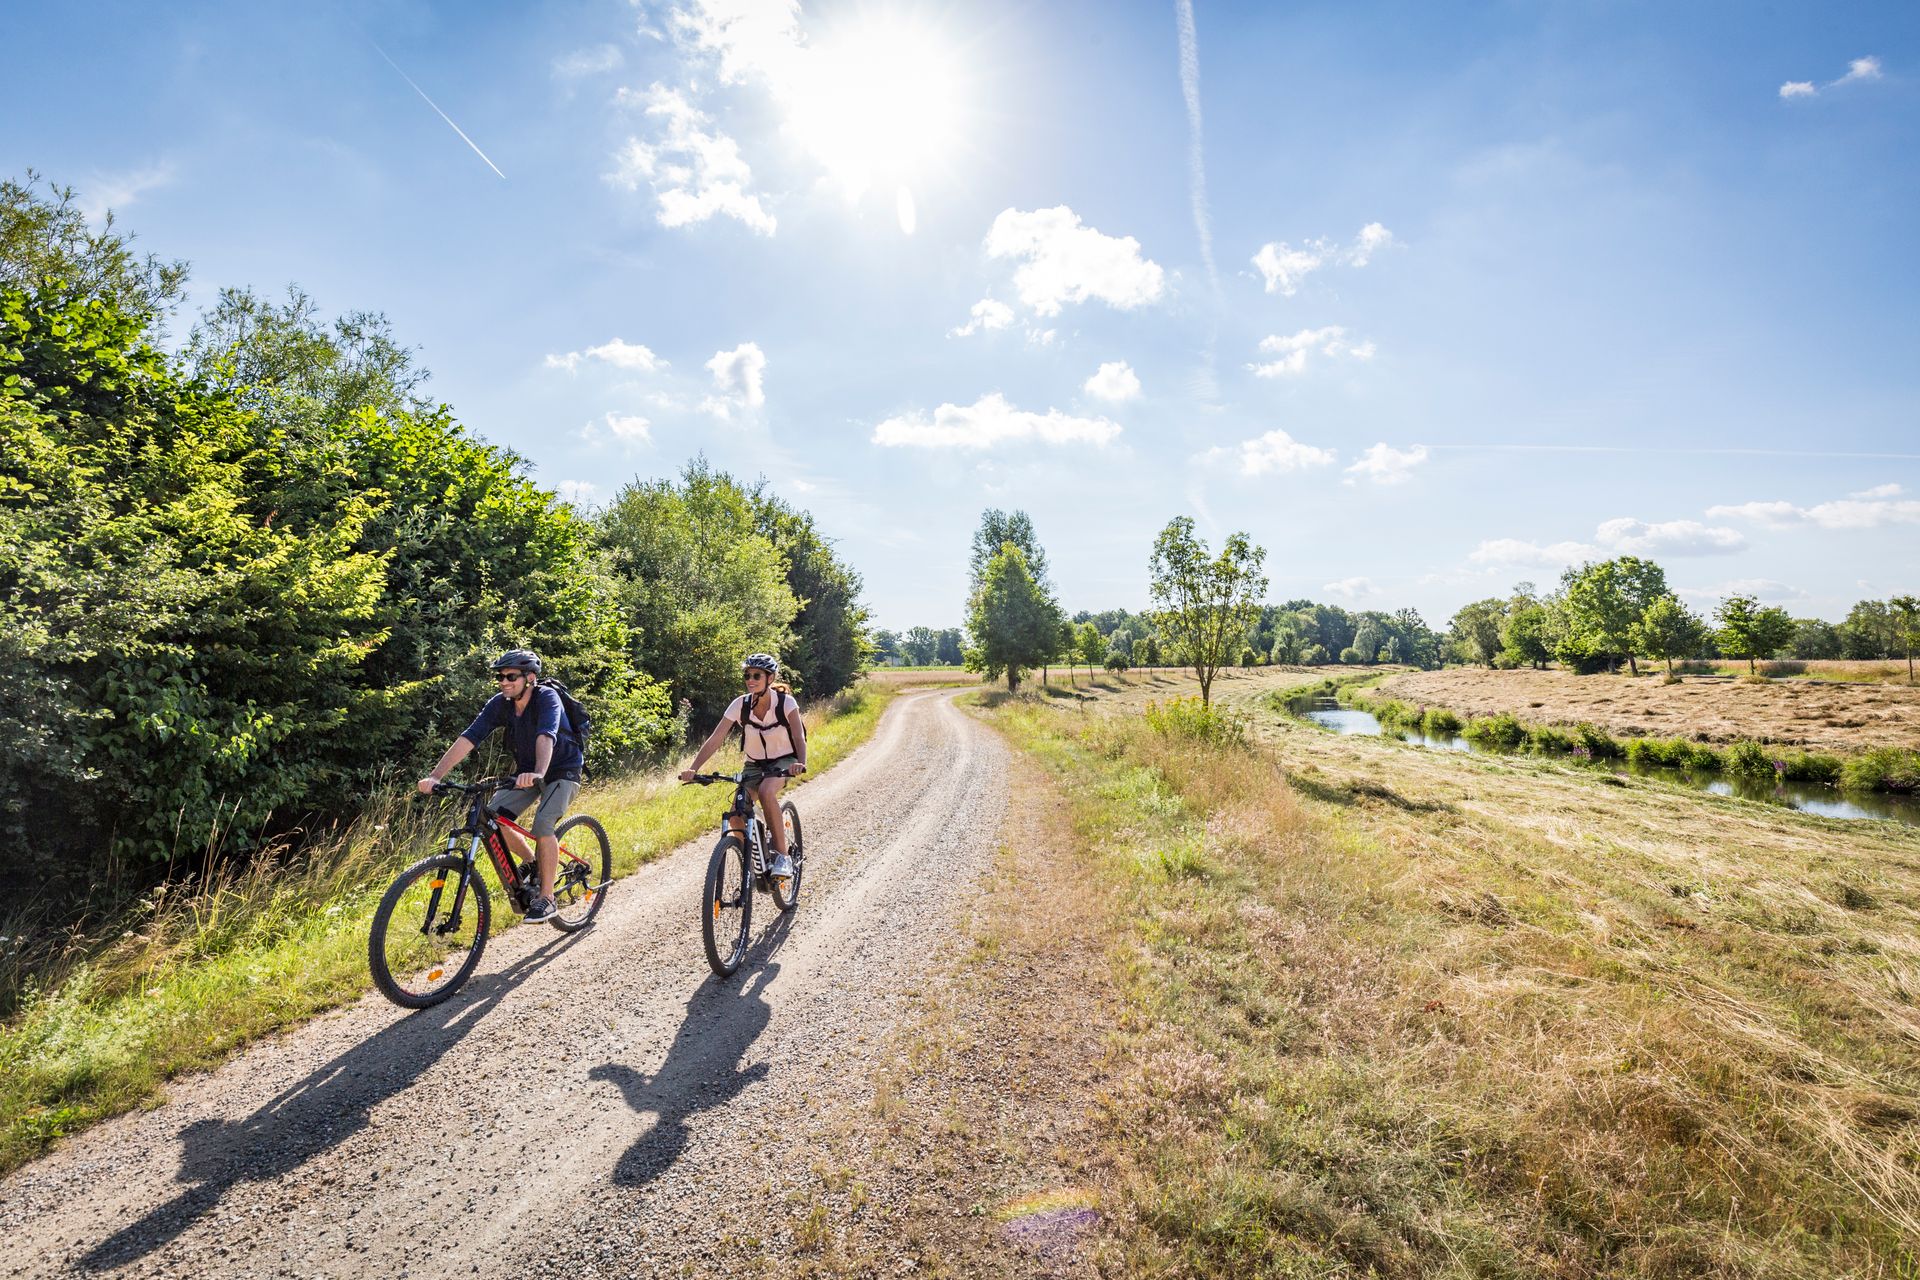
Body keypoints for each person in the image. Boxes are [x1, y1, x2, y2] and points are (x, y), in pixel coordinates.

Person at [417, 649, 584, 922]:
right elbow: (470, 737)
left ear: (530, 678)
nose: (504, 681)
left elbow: (546, 735)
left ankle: (547, 898)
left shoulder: (547, 698)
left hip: (562, 768)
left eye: (510, 676)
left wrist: (539, 772)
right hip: (527, 772)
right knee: (493, 818)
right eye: (500, 677)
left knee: (542, 824)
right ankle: (533, 863)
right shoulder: (501, 703)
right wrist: (435, 776)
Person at [680, 653, 808, 878]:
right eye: (747, 675)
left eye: (757, 675)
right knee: (736, 814)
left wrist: (800, 763)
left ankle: (783, 856)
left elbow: (799, 737)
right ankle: (749, 858)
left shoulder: (786, 703)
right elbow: (716, 738)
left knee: (768, 791)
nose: (750, 679)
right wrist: (694, 768)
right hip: (754, 764)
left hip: (784, 760)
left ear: (770, 678)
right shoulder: (740, 705)